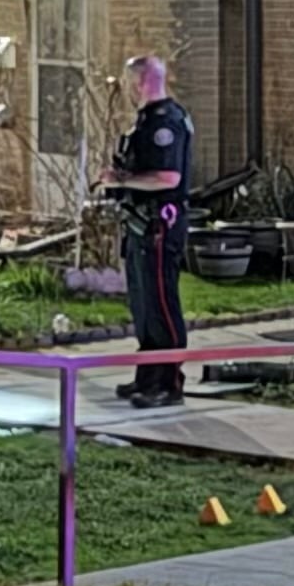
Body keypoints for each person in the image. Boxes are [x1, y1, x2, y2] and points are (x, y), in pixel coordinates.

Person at [107, 54, 197, 407]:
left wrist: (121, 180)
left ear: (138, 83)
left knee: (161, 305)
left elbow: (168, 177)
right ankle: (147, 377)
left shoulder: (166, 122)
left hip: (160, 224)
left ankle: (168, 383)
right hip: (140, 224)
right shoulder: (146, 120)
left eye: (128, 82)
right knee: (143, 308)